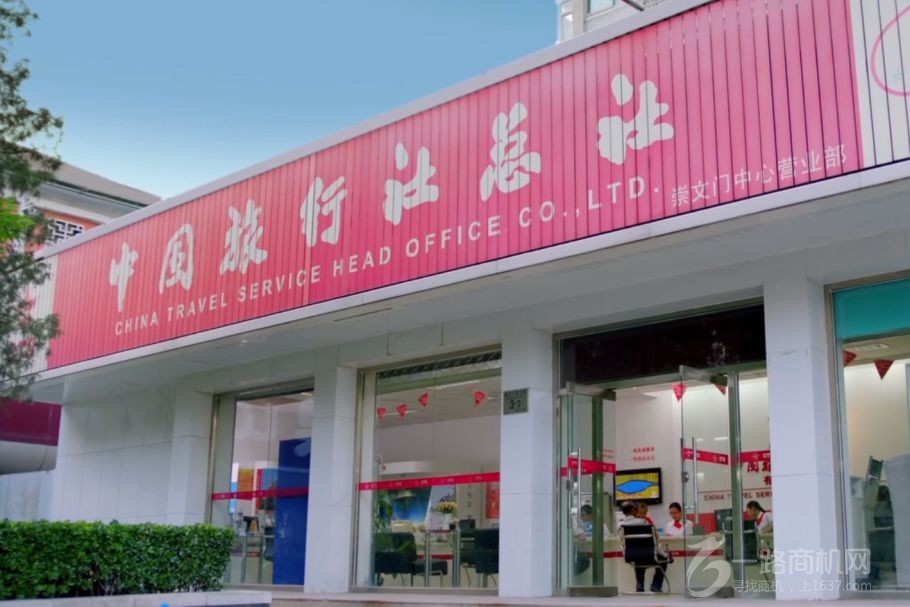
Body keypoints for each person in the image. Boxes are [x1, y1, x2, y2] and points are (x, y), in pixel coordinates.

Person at [619, 501, 668, 593]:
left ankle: (640, 584)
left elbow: (621, 540)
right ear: (633, 511)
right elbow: (656, 537)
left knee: (638, 558)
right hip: (648, 554)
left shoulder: (620, 525)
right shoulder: (643, 521)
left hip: (630, 555)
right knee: (663, 559)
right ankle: (656, 585)